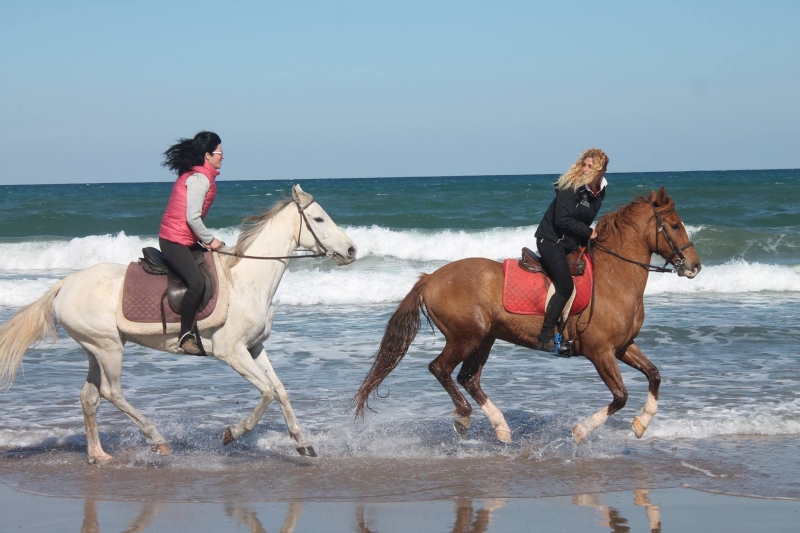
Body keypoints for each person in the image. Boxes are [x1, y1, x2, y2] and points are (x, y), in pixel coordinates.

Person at [533, 148, 609, 353]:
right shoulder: (571, 186)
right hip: (551, 240)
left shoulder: (600, 191)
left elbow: (584, 218)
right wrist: (588, 232)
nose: (585, 169)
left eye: (590, 166)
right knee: (565, 286)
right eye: (583, 164)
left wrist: (590, 237)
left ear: (601, 170)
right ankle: (546, 336)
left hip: (571, 243)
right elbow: (562, 220)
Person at [158, 131, 224, 355]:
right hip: (173, 241)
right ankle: (185, 335)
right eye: (219, 153)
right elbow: (192, 217)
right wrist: (210, 239)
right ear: (207, 155)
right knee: (196, 282)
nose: (222, 157)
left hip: (185, 238)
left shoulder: (200, 175)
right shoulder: (199, 179)